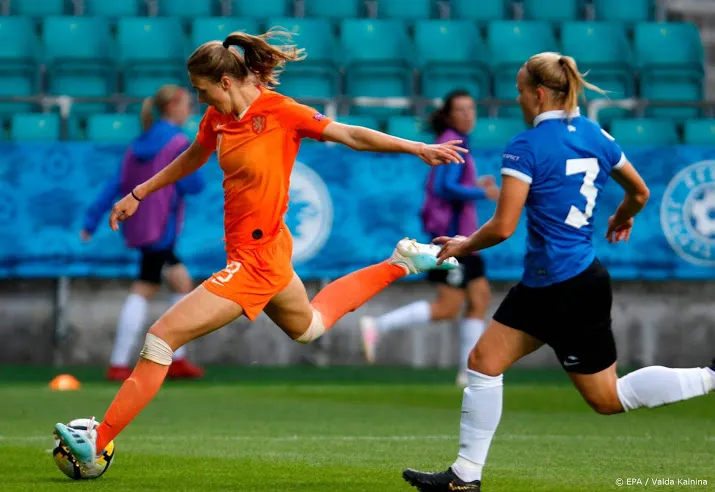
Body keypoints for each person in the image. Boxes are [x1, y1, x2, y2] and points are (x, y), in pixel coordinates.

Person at [54, 29, 466, 471]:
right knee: (309, 326)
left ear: (225, 82)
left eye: (203, 89)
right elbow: (195, 155)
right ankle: (400, 263)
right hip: (262, 252)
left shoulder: (280, 112)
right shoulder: (218, 117)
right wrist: (141, 191)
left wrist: (417, 147)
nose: (201, 99)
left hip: (256, 261)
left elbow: (349, 135)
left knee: (161, 338)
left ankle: (98, 439)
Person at [402, 52, 715, 492]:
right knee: (527, 374)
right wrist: (624, 215)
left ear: (539, 93)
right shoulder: (596, 134)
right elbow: (640, 191)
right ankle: (464, 476)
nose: (516, 97)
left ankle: (465, 476)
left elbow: (504, 226)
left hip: (556, 284)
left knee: (517, 372)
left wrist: (464, 243)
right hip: (578, 280)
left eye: (519, 89)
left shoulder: (526, 146)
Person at [359, 90, 499, 386]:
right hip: (451, 240)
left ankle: (468, 372)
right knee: (448, 307)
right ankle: (377, 326)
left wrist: (474, 186)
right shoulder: (452, 140)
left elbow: (448, 185)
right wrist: (480, 191)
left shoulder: (459, 140)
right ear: (449, 115)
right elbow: (445, 188)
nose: (467, 115)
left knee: (479, 298)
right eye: (460, 110)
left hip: (465, 239)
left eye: (471, 109)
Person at [81, 84, 206, 382]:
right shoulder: (177, 142)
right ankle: (120, 363)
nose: (191, 110)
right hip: (162, 226)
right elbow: (195, 185)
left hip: (142, 224)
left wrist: (91, 220)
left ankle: (176, 358)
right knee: (144, 287)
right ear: (173, 106)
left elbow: (115, 184)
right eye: (188, 104)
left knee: (180, 281)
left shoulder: (137, 143)